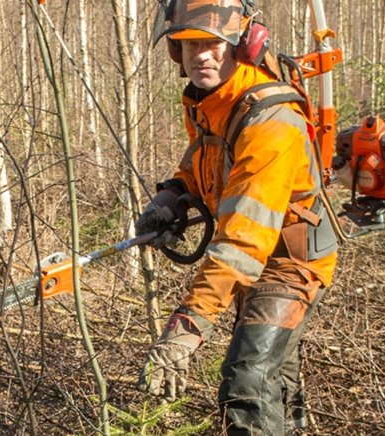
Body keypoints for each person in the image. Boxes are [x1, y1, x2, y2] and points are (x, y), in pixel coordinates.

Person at [136, 0, 340, 434]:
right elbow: (204, 158)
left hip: (288, 264)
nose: (201, 55)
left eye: (212, 43)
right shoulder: (210, 100)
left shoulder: (270, 121)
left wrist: (187, 326)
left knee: (247, 379)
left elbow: (241, 243)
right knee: (273, 373)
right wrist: (174, 194)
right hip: (251, 256)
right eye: (189, 45)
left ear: (242, 45)